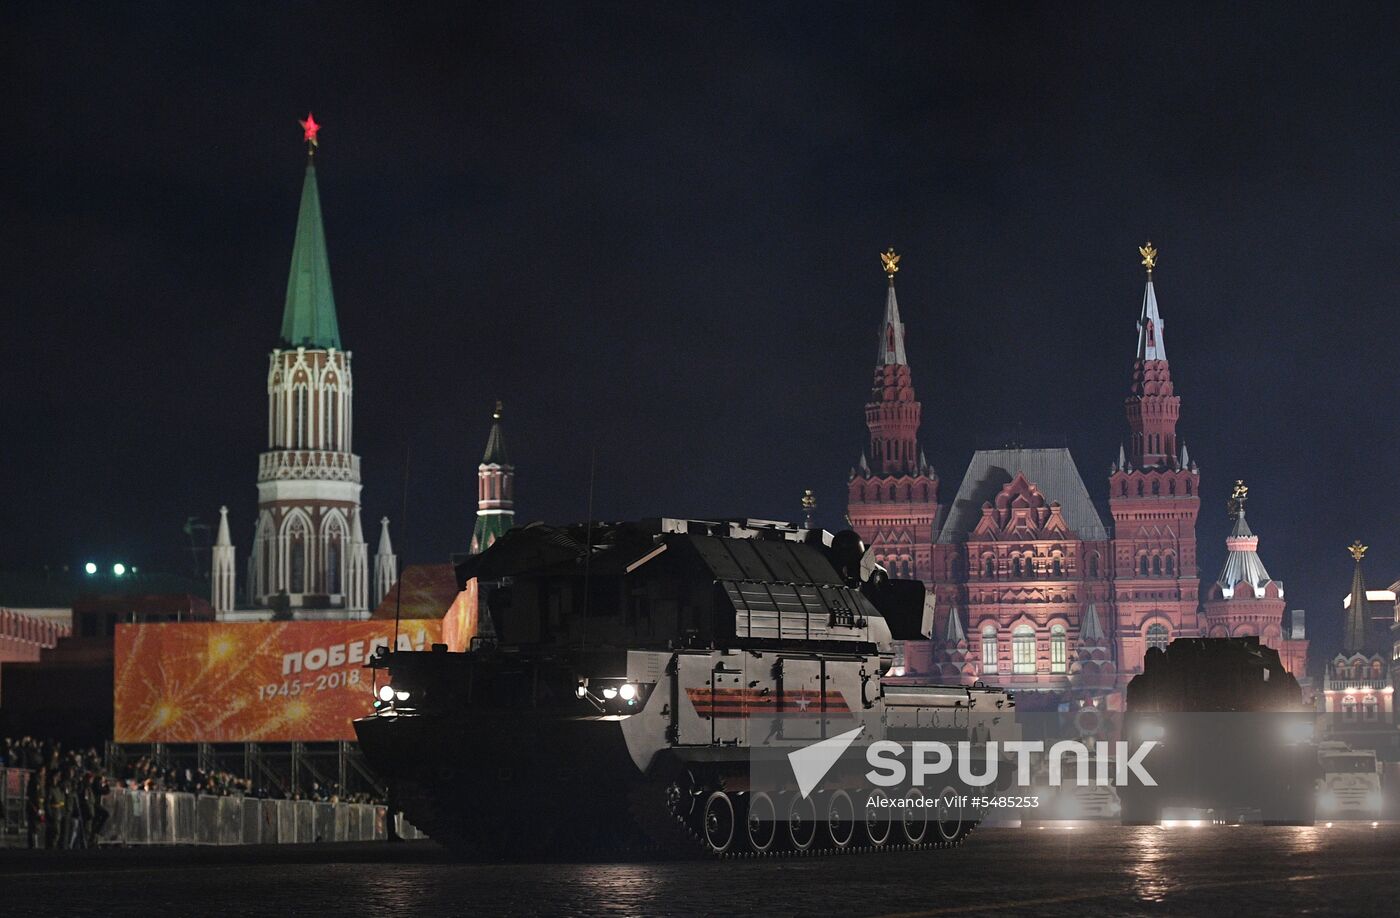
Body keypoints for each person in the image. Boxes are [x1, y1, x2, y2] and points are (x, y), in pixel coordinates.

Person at [25, 765, 46, 849]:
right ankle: (33, 845)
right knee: (33, 826)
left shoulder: (40, 781)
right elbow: (34, 796)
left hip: (39, 805)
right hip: (34, 806)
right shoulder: (35, 781)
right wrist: (36, 807)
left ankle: (34, 844)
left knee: (36, 826)